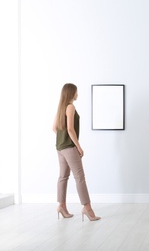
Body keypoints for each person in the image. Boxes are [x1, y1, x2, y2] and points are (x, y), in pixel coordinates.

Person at [53, 83, 101, 222]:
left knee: (63, 176)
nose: (77, 94)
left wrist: (62, 139)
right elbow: (70, 129)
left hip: (60, 147)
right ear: (71, 93)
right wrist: (78, 146)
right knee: (80, 177)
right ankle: (87, 208)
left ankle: (61, 205)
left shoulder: (61, 108)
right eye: (76, 92)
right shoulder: (70, 107)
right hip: (69, 147)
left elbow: (54, 128)